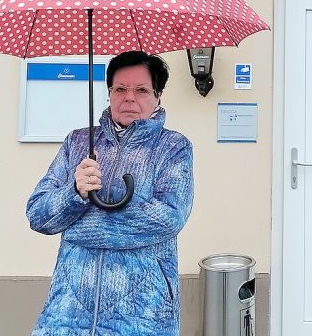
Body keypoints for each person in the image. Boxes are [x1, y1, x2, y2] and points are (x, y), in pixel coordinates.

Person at [26, 50, 194, 336]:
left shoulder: (173, 148)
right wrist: (75, 192)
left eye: (141, 89)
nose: (129, 97)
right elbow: (38, 215)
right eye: (120, 89)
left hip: (142, 314)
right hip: (69, 312)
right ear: (109, 92)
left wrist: (78, 228)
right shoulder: (78, 142)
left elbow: (168, 219)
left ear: (158, 94)